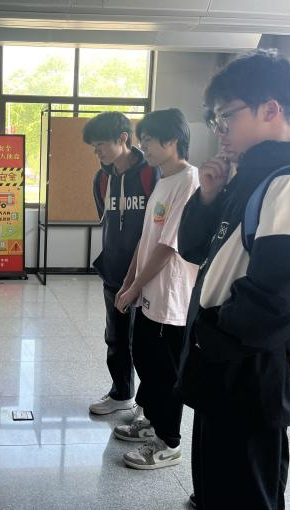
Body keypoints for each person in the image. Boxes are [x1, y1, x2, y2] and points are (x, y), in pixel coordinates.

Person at [175, 49, 290, 510]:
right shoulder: (250, 176)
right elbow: (194, 251)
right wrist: (207, 196)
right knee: (221, 488)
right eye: (216, 119)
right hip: (227, 368)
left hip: (247, 374)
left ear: (271, 109)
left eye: (226, 116)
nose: (220, 129)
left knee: (244, 497)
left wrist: (208, 337)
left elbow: (276, 304)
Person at [112, 108, 199, 469]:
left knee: (165, 371)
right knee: (146, 358)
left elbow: (167, 247)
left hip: (170, 295)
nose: (143, 146)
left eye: (148, 139)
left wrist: (135, 287)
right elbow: (146, 238)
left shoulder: (189, 182)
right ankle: (151, 421)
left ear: (172, 140)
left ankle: (169, 442)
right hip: (150, 289)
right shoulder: (163, 179)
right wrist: (129, 282)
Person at [83, 111, 159, 415]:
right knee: (115, 338)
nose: (97, 152)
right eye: (94, 147)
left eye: (100, 144)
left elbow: (158, 227)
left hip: (147, 274)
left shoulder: (151, 173)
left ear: (123, 138)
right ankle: (121, 393)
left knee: (145, 342)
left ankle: (148, 402)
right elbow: (106, 220)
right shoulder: (102, 179)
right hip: (114, 272)